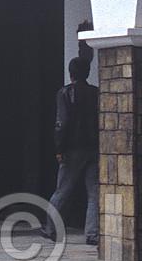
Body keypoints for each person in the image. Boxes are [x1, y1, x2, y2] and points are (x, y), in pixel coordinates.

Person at [41, 55, 99, 248]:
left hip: (73, 148)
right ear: (87, 73)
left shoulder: (65, 93)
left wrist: (59, 148)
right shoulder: (95, 93)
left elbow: (62, 123)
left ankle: (51, 228)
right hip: (94, 147)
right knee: (94, 193)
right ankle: (92, 233)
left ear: (70, 73)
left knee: (63, 190)